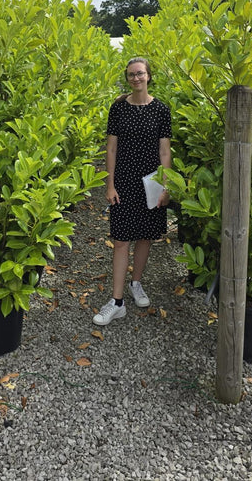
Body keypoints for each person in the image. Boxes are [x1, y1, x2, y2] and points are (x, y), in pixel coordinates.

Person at [93, 57, 172, 326]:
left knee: (145, 236)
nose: (135, 78)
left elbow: (164, 151)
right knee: (121, 240)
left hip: (151, 182)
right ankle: (116, 302)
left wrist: (165, 186)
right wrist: (110, 184)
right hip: (124, 182)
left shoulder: (161, 110)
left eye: (140, 73)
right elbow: (111, 148)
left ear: (149, 76)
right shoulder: (118, 109)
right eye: (131, 75)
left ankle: (136, 283)